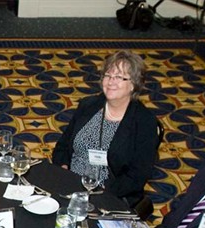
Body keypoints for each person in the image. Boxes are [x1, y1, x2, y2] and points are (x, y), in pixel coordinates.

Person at [52, 51, 159, 208]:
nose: (110, 82)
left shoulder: (144, 122)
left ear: (134, 84)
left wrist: (100, 192)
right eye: (108, 75)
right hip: (71, 183)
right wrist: (64, 170)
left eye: (119, 77)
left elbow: (137, 176)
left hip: (110, 193)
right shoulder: (88, 105)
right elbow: (62, 147)